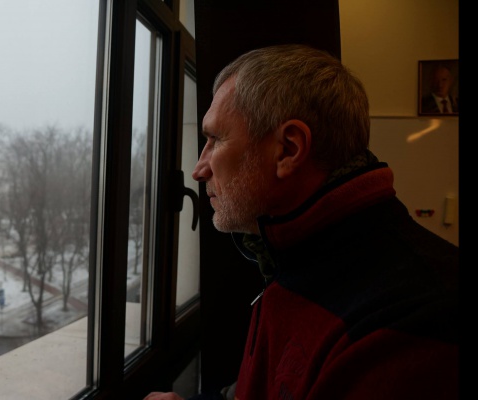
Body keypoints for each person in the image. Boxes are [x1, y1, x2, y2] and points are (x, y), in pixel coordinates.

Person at [144, 44, 458, 400]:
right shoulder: (299, 253)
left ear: (289, 149)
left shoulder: (416, 325)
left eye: (215, 139)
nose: (199, 170)